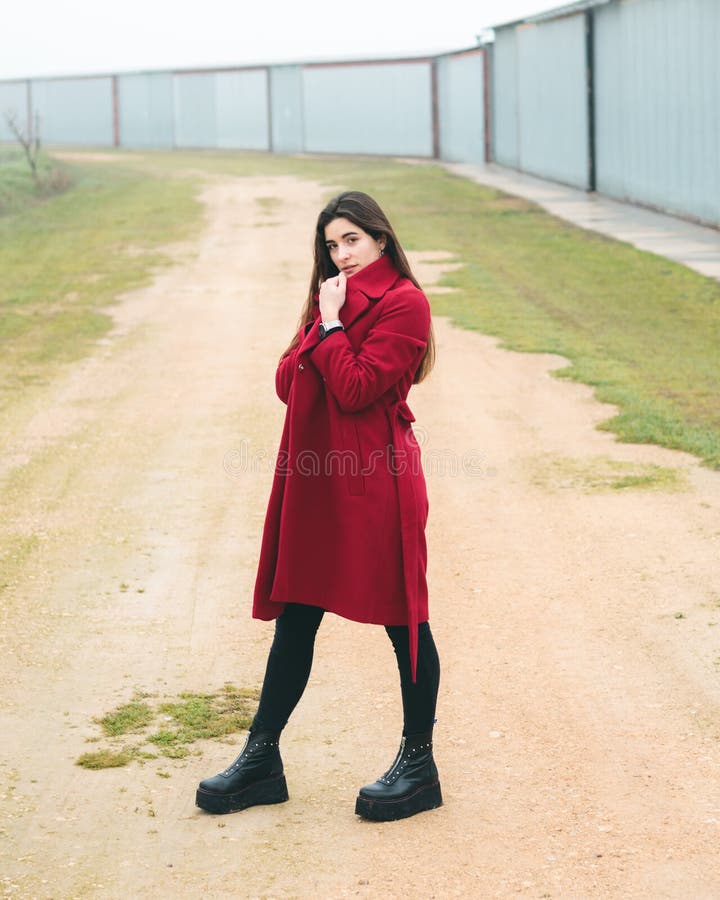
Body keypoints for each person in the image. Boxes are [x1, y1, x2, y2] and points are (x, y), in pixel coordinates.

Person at [195, 191, 441, 822]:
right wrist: (320, 322)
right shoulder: (328, 295)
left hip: (376, 483)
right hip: (318, 481)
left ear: (381, 240)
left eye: (352, 240)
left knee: (404, 620)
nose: (341, 254)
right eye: (332, 244)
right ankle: (261, 759)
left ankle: (418, 766)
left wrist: (329, 328)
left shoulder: (405, 303)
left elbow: (357, 388)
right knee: (297, 615)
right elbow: (286, 382)